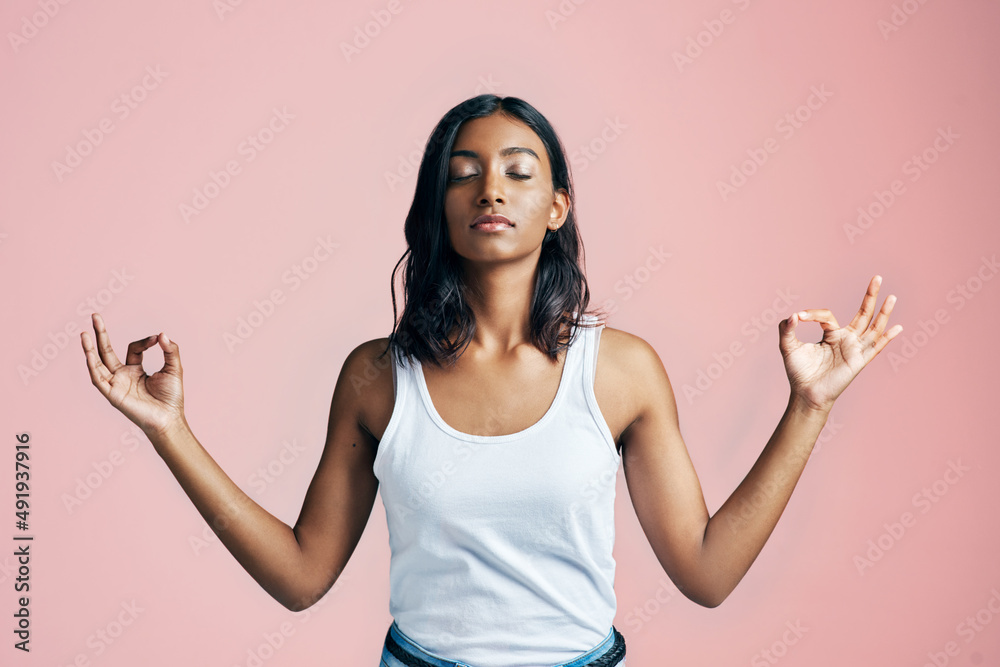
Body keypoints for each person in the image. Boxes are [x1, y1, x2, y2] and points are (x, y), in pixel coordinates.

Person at [81, 94, 901, 667]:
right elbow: (301, 575)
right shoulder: (375, 375)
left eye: (518, 169)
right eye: (463, 171)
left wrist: (809, 406)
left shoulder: (621, 370)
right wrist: (169, 431)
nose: (491, 187)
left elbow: (706, 572)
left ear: (557, 206)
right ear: (438, 205)